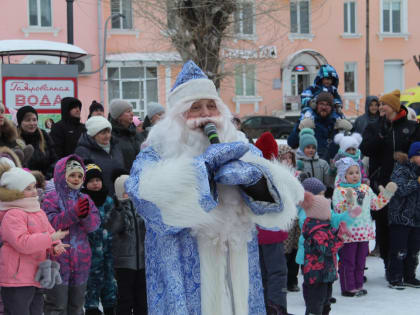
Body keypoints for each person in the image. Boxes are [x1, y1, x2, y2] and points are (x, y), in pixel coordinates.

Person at [126, 60, 304, 314]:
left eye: (211, 105)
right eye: (195, 107)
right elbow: (147, 201)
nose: (206, 113)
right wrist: (202, 170)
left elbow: (282, 202)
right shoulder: (157, 153)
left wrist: (252, 180)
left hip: (238, 268)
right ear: (177, 115)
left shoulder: (238, 145)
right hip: (186, 270)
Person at [360, 89, 420, 277]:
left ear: (393, 106)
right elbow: (366, 149)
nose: (380, 108)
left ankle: (407, 268)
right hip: (383, 182)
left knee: (406, 225)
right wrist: (381, 135)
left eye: (383, 104)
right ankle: (389, 265)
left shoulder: (411, 126)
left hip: (408, 183)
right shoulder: (374, 127)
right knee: (385, 224)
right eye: (379, 105)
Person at [0, 164, 68, 315]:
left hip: (35, 275)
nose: (34, 191)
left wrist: (55, 245)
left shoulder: (37, 211)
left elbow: (48, 232)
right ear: (15, 193)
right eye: (28, 188)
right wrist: (50, 238)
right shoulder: (13, 214)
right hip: (16, 279)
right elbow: (22, 243)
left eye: (34, 187)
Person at [42, 155, 100, 315]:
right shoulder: (51, 198)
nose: (76, 179)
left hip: (81, 260)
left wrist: (85, 215)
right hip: (57, 260)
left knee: (76, 307)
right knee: (57, 306)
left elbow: (94, 226)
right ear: (62, 175)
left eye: (80, 176)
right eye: (72, 175)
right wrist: (73, 214)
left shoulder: (85, 198)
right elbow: (50, 223)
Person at [332, 157, 397, 296]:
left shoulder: (365, 189)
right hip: (348, 233)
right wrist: (347, 205)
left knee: (360, 261)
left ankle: (358, 285)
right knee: (348, 261)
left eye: (357, 172)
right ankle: (348, 287)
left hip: (363, 232)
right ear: (343, 175)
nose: (355, 175)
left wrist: (386, 194)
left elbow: (376, 205)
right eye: (350, 173)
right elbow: (337, 209)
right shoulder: (339, 190)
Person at [254, 132, 290, 315]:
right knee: (278, 272)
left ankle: (263, 305)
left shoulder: (250, 173)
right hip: (272, 232)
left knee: (261, 272)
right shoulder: (276, 175)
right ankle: (276, 307)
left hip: (255, 233)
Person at [105, 174, 147, 315]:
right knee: (125, 298)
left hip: (141, 262)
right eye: (126, 189)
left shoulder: (140, 207)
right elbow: (113, 228)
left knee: (142, 299)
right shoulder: (116, 208)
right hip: (124, 264)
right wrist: (118, 209)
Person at [300, 190, 347, 315]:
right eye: (328, 210)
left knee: (325, 301)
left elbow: (329, 240)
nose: (330, 212)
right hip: (318, 275)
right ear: (320, 213)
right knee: (317, 303)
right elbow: (326, 249)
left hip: (325, 273)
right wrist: (341, 238)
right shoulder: (317, 231)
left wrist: (338, 232)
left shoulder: (323, 227)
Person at [82, 164, 117, 315]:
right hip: (90, 254)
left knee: (110, 283)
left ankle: (110, 307)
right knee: (92, 284)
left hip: (109, 251)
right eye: (91, 181)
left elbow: (116, 222)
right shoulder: (83, 202)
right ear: (85, 184)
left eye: (98, 180)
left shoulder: (109, 201)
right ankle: (92, 308)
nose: (95, 183)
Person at [387, 146, 420, 289]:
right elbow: (398, 190)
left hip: (416, 218)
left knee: (414, 250)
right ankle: (395, 276)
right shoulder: (400, 169)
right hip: (399, 216)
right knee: (399, 249)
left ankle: (409, 276)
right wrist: (416, 182)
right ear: (413, 156)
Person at [288, 92, 352, 161]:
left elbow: (352, 149)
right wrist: (299, 128)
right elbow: (292, 143)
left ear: (332, 108)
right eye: (321, 104)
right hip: (312, 167)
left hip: (334, 168)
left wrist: (350, 131)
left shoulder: (338, 123)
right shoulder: (307, 120)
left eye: (328, 105)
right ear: (316, 105)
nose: (324, 107)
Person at [75, 116, 124, 195]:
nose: (107, 136)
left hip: (118, 195)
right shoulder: (83, 151)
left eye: (108, 132)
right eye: (103, 133)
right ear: (93, 135)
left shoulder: (115, 146)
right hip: (97, 199)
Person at [16, 106, 57, 179]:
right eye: (27, 120)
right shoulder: (13, 138)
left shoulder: (44, 135)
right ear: (20, 122)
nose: (32, 123)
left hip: (45, 182)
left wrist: (47, 177)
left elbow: (54, 160)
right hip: (23, 184)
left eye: (34, 120)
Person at [109, 100, 142, 171]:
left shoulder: (135, 134)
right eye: (128, 111)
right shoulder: (112, 136)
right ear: (119, 116)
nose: (132, 114)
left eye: (131, 111)